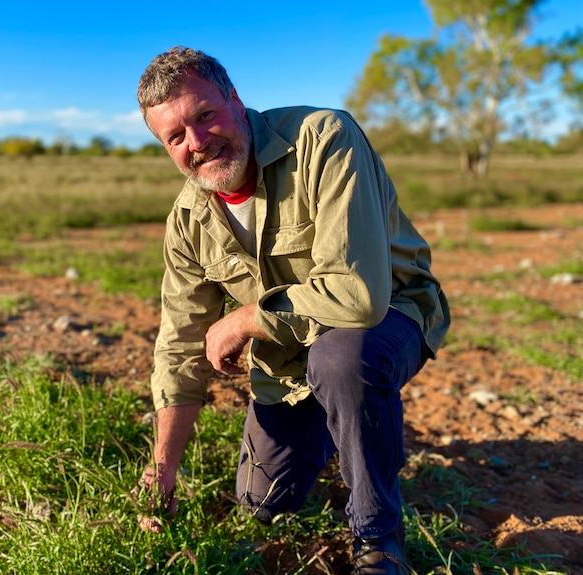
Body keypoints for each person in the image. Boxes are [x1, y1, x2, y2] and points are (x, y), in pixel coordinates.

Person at [135, 46, 450, 575]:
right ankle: (342, 424)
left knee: (341, 361)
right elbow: (180, 343)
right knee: (263, 501)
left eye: (205, 115)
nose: (196, 141)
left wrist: (244, 319)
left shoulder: (323, 138)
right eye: (175, 136)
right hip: (289, 357)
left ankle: (379, 539)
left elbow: (357, 295)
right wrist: (161, 469)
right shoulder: (188, 219)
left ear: (234, 100)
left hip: (389, 315)